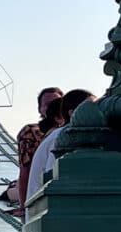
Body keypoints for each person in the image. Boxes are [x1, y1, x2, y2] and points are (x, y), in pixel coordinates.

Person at [26, 89, 97, 206]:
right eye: (90, 107)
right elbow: (52, 178)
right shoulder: (61, 137)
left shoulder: (65, 135)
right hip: (45, 209)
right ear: (72, 113)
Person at [15, 87, 62, 215]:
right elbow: (25, 171)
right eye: (47, 104)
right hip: (33, 189)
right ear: (40, 109)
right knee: (13, 190)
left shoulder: (65, 132)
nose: (52, 107)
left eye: (56, 103)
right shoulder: (31, 132)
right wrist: (23, 207)